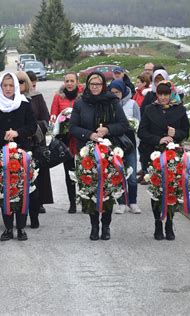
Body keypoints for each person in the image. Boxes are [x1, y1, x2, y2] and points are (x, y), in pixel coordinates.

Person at [69, 72, 129, 241]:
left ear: (104, 85)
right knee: (90, 189)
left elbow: (124, 124)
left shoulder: (112, 102)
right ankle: (94, 225)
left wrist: (107, 130)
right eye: (92, 84)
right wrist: (89, 135)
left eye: (98, 84)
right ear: (87, 85)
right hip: (86, 153)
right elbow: (73, 127)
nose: (95, 86)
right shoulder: (80, 103)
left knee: (108, 190)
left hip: (109, 153)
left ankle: (106, 225)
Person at [0, 72, 37, 241]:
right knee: (4, 191)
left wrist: (17, 133)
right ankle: (7, 228)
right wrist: (3, 135)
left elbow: (32, 126)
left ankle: (21, 228)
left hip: (22, 152)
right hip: (0, 153)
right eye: (4, 86)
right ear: (0, 87)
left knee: (21, 191)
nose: (7, 89)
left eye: (10, 86)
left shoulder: (24, 103)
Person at [138, 81, 189, 241]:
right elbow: (141, 132)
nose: (163, 97)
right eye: (160, 94)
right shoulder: (149, 109)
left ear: (171, 94)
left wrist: (176, 133)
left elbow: (186, 132)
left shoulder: (180, 109)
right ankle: (158, 223)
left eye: (166, 94)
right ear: (156, 95)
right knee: (157, 190)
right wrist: (159, 139)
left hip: (173, 155)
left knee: (172, 189)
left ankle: (170, 223)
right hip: (153, 155)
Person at [50, 72, 84, 213]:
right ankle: (72, 202)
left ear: (77, 81)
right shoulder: (58, 96)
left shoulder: (83, 95)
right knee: (69, 172)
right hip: (65, 140)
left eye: (72, 81)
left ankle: (85, 199)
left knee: (84, 171)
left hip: (81, 138)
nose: (69, 83)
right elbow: (53, 115)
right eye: (67, 81)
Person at [108, 79, 141, 214]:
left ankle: (132, 202)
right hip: (115, 145)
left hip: (130, 144)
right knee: (118, 174)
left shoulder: (132, 104)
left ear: (123, 91)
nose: (115, 95)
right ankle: (121, 202)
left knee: (132, 176)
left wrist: (132, 125)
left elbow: (139, 123)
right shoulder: (108, 105)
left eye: (118, 92)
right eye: (112, 92)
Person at [26, 70, 53, 215]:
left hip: (37, 140)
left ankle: (40, 201)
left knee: (40, 172)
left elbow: (46, 118)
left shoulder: (37, 97)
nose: (33, 88)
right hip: (24, 141)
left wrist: (35, 127)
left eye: (34, 85)